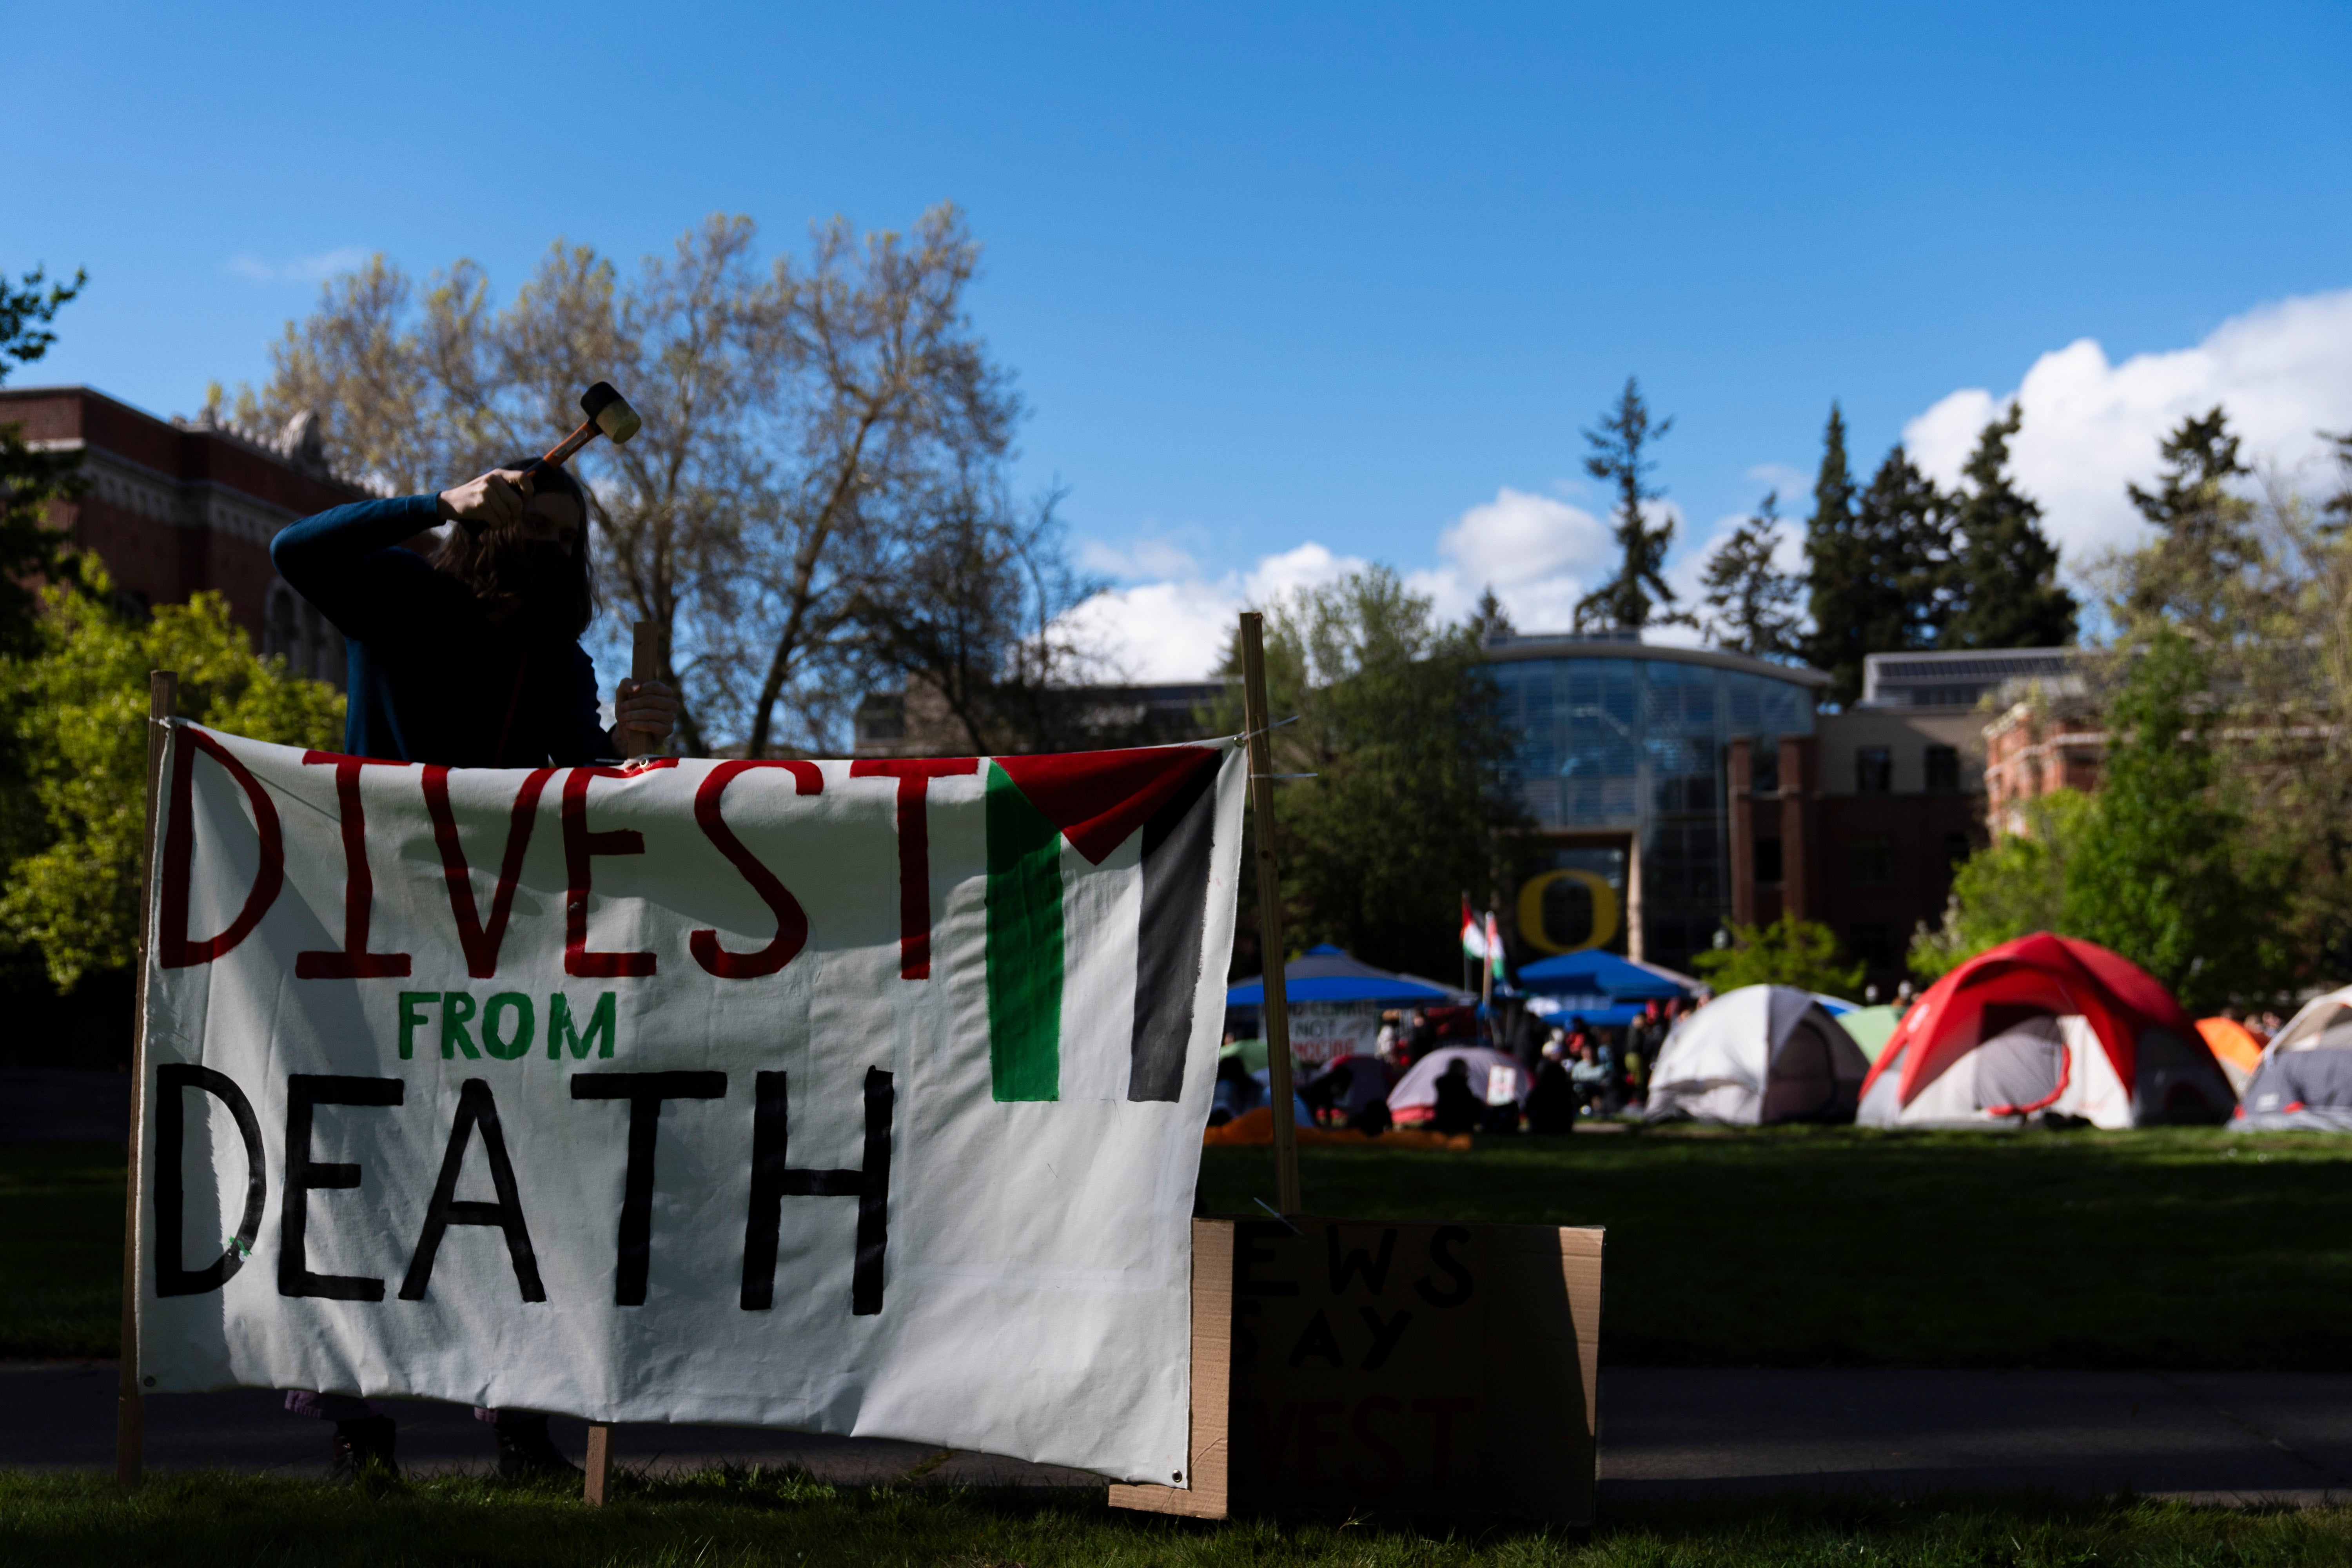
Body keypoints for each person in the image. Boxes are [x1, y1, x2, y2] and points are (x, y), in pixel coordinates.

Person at [270, 461, 680, 1481]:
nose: (542, 543)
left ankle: (519, 1419)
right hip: (378, 928)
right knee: (369, 1174)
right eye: (524, 520)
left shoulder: (559, 662)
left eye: (562, 531)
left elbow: (578, 795)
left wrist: (629, 751)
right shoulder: (396, 593)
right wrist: (434, 504)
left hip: (497, 947)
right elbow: (294, 551)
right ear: (482, 522)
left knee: (511, 1173)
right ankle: (359, 1426)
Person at [1525, 1044, 1578, 1135]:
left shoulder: (1540, 1089)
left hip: (1541, 1127)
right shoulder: (1565, 1089)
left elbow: (1528, 1105)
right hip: (1562, 1128)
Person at [1429, 1058, 1483, 1135]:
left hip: (1442, 1121)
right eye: (1465, 1069)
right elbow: (1467, 1104)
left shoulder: (1443, 1083)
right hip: (1459, 1122)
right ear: (1460, 1069)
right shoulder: (1460, 1085)